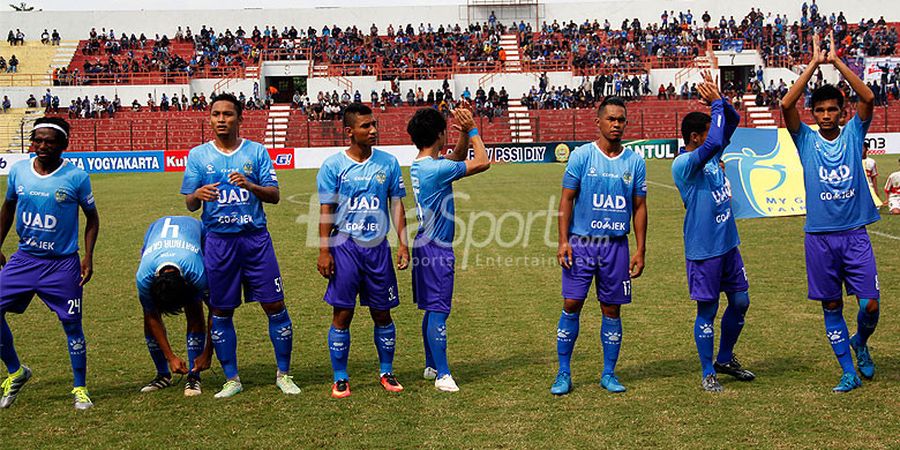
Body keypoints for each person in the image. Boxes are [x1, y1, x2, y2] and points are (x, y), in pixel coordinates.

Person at [180, 93, 298, 399]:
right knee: (220, 311)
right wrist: (199, 195)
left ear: (239, 118)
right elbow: (190, 204)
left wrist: (250, 185)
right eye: (216, 114)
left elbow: (274, 195)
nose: (221, 119)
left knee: (275, 305)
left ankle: (284, 373)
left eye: (228, 114)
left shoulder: (257, 153)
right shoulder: (198, 156)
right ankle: (231, 378)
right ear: (210, 118)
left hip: (255, 240)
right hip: (218, 242)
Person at [781, 32, 881, 392]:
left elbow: (869, 97)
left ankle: (861, 344)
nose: (825, 115)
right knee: (832, 305)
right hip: (819, 238)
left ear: (842, 112)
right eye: (820, 110)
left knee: (870, 305)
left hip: (855, 234)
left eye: (831, 109)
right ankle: (847, 371)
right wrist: (812, 64)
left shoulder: (854, 133)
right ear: (814, 114)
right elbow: (785, 105)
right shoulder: (804, 138)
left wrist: (836, 62)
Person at [0, 117, 100, 410]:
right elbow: (8, 208)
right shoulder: (19, 172)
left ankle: (80, 388)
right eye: (37, 140)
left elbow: (92, 217)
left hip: (62, 265)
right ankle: (16, 371)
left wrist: (88, 256)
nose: (42, 146)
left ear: (63, 145)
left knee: (72, 326)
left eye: (49, 141)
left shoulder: (76, 177)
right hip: (24, 260)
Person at [551, 97, 647, 395]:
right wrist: (563, 241)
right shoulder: (581, 156)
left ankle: (609, 373)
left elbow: (640, 207)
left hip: (616, 247)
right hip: (581, 244)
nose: (616, 124)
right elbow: (566, 199)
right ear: (599, 122)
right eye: (611, 119)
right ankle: (563, 373)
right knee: (571, 304)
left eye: (621, 120)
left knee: (612, 309)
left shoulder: (635, 161)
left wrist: (641, 249)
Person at [316, 103, 410, 399]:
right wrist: (324, 251)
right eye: (366, 126)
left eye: (374, 124)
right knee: (343, 313)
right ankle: (340, 377)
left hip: (377, 247)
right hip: (344, 246)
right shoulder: (333, 166)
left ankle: (386, 371)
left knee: (382, 313)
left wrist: (404, 242)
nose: (373, 130)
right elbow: (326, 210)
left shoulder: (388, 162)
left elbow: (396, 204)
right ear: (349, 131)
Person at [672, 72, 754, 392]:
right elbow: (718, 139)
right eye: (705, 133)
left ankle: (725, 357)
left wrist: (721, 99)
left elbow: (731, 121)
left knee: (741, 302)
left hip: (728, 244)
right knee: (707, 310)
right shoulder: (684, 164)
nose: (712, 137)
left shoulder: (712, 153)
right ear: (695, 138)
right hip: (703, 249)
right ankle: (708, 372)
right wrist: (716, 105)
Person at [407, 107, 490, 392]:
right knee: (439, 310)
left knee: (431, 308)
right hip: (437, 248)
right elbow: (482, 162)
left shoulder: (422, 165)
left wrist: (464, 135)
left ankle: (431, 366)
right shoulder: (436, 169)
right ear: (440, 134)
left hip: (424, 243)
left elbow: (455, 158)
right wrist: (473, 129)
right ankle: (443, 375)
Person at [135, 216, 213, 396]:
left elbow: (216, 311)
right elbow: (152, 316)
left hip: (196, 233)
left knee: (194, 308)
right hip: (156, 229)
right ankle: (163, 375)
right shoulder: (144, 277)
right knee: (149, 315)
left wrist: (207, 354)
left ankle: (194, 376)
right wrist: (170, 357)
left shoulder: (196, 272)